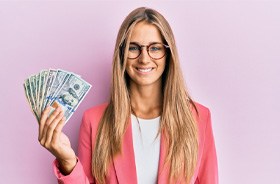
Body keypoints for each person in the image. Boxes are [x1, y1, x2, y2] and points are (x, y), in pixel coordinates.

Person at [38, 7, 218, 184]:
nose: (144, 59)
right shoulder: (94, 121)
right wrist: (68, 162)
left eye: (155, 48)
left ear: (168, 54)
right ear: (122, 53)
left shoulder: (199, 117)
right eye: (133, 48)